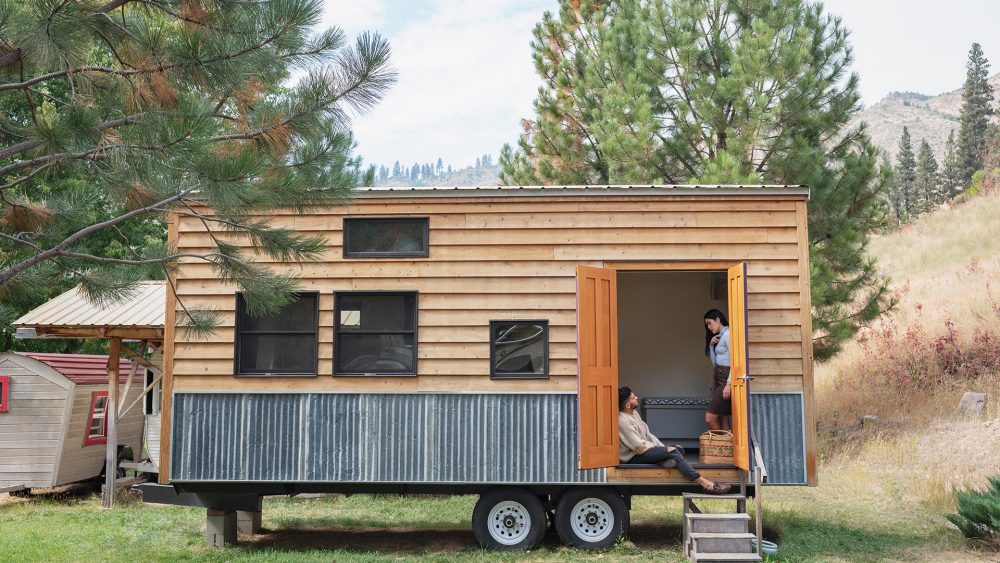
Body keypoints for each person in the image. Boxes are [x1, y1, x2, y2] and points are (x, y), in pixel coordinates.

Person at [618, 386, 732, 494]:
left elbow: (648, 435)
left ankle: (666, 461)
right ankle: (706, 484)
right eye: (633, 397)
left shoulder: (634, 413)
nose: (636, 397)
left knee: (678, 449)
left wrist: (663, 448)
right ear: (628, 404)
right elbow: (638, 446)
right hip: (634, 456)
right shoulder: (623, 420)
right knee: (673, 452)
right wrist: (663, 450)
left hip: (644, 450)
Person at [703, 309, 731, 431]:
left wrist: (729, 384)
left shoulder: (728, 335)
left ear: (718, 320)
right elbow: (715, 364)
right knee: (723, 417)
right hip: (718, 378)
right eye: (707, 324)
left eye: (709, 323)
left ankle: (720, 447)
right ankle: (725, 449)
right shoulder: (719, 337)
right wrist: (711, 346)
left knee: (710, 418)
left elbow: (735, 361)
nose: (708, 327)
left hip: (725, 380)